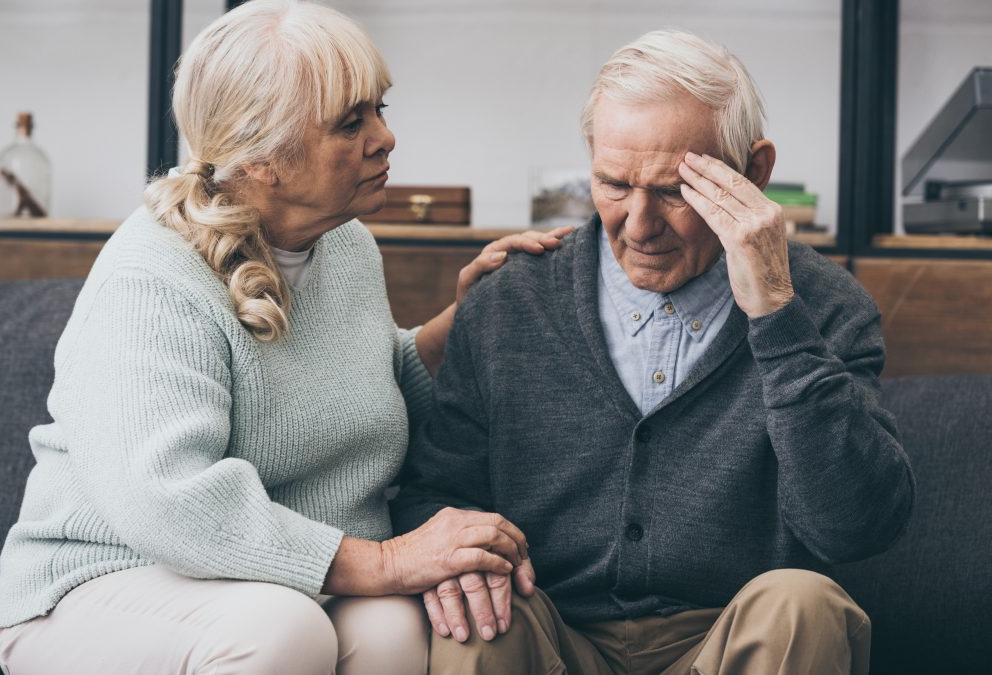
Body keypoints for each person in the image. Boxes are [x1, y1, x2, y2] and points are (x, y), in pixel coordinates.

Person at [0, 2, 567, 673]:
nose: (385, 138)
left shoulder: (345, 246)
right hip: (95, 586)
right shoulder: (150, 276)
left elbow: (373, 381)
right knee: (282, 631)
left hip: (253, 580)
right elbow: (171, 503)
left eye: (380, 109)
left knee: (392, 629)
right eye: (351, 122)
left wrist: (467, 318)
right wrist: (385, 559)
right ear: (261, 156)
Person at [392, 28, 915, 675]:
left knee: (802, 603)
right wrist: (460, 554)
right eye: (613, 184)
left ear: (754, 173)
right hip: (549, 628)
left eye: (673, 191)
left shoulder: (824, 303)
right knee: (474, 621)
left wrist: (778, 315)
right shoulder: (509, 299)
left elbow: (857, 525)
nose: (638, 225)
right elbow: (431, 492)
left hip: (731, 639)